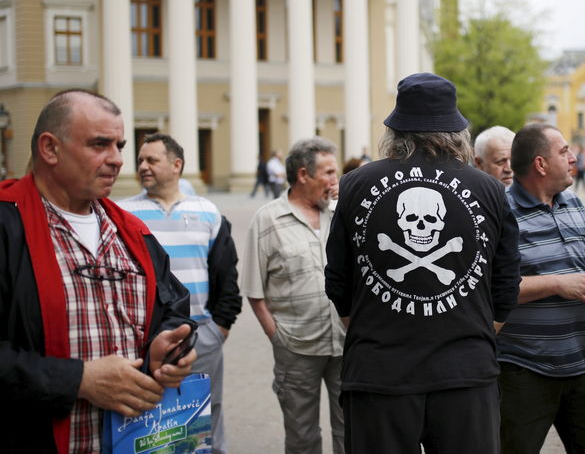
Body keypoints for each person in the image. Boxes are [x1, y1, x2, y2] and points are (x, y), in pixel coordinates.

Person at [325, 72, 521, 454]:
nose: (420, 226)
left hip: (378, 375)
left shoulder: (354, 185)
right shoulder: (491, 190)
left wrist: (375, 325)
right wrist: (472, 331)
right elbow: (506, 285)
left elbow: (337, 282)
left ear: (395, 130)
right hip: (465, 375)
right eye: (411, 220)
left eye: (428, 220)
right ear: (456, 131)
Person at [0, 89, 196, 452]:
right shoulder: (7, 224)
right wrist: (78, 380)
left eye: (120, 145)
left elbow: (173, 308)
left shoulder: (133, 231)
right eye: (99, 145)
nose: (118, 160)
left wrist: (166, 346)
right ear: (50, 149)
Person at [498, 123, 585, 454]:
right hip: (524, 371)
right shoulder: (501, 213)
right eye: (564, 151)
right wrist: (558, 284)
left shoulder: (573, 201)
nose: (574, 157)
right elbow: (492, 287)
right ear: (540, 164)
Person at [119, 133, 241, 454]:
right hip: (145, 342)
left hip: (202, 336)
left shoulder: (208, 213)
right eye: (140, 160)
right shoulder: (123, 215)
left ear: (176, 165)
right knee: (148, 419)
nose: (142, 166)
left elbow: (226, 275)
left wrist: (219, 328)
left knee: (207, 413)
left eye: (151, 160)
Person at [241, 136, 345, 454]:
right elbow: (254, 292)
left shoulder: (340, 213)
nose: (334, 180)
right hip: (296, 348)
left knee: (351, 432)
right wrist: (278, 338)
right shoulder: (267, 220)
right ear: (303, 175)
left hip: (345, 345)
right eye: (328, 172)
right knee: (302, 436)